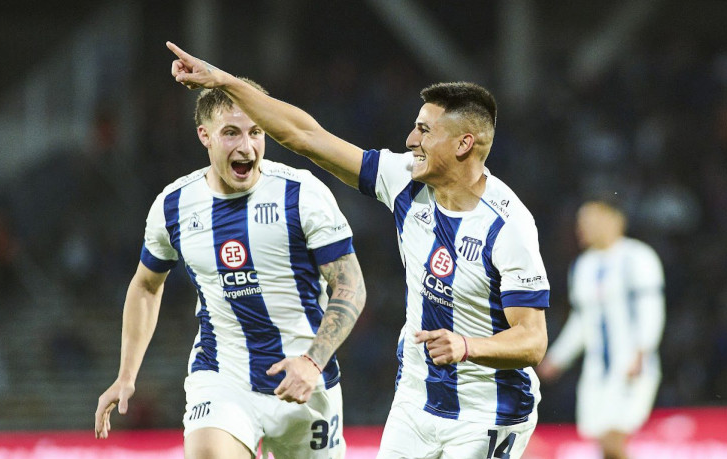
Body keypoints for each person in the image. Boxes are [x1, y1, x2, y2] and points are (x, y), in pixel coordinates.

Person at [167, 41, 550, 459]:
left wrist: (467, 346)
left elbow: (532, 341)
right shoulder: (406, 180)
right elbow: (306, 136)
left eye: (424, 130)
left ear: (463, 144)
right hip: (415, 400)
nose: (410, 140)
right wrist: (223, 81)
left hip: (487, 412)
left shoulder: (509, 226)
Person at [94, 82, 367, 459]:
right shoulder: (174, 206)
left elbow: (350, 284)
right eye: (231, 133)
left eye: (256, 132)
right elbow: (146, 285)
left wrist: (312, 360)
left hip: (306, 382)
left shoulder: (301, 193)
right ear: (204, 136)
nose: (246, 147)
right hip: (224, 377)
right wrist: (126, 374)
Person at [537, 198, 665, 459]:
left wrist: (642, 351)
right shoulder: (583, 266)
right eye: (581, 222)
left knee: (613, 438)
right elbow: (583, 321)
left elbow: (651, 309)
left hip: (629, 363)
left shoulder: (638, 257)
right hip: (596, 371)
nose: (582, 227)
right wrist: (557, 358)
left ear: (614, 220)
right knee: (603, 444)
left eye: (590, 220)